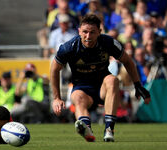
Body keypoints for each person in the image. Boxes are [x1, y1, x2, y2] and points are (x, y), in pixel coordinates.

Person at [50, 14, 151, 142]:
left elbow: (128, 61)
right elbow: (54, 69)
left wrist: (138, 85)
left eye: (92, 32)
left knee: (113, 80)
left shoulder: (108, 43)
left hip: (103, 86)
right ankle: (87, 130)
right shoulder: (69, 47)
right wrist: (56, 98)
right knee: (76, 97)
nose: (88, 36)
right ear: (79, 31)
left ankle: (109, 130)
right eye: (85, 32)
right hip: (82, 88)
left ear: (99, 32)